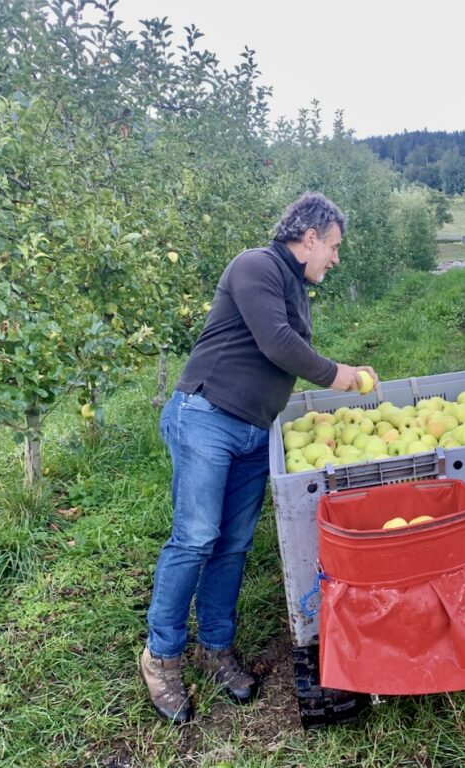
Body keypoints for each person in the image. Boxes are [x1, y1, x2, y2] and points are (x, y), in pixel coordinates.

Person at [140, 192, 378, 723]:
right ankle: (161, 657)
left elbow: (285, 347)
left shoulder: (294, 285)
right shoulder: (256, 265)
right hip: (206, 416)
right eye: (333, 247)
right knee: (197, 536)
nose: (336, 259)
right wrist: (341, 375)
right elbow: (276, 343)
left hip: (253, 431)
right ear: (309, 236)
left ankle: (216, 648)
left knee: (233, 544)